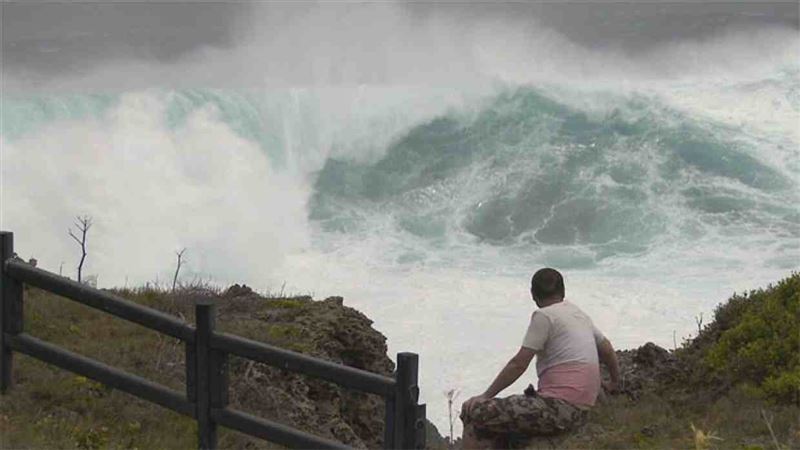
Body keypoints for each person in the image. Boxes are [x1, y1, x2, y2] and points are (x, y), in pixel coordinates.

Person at [460, 268, 620, 449]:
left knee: (474, 412)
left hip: (560, 408)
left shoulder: (544, 316)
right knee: (503, 430)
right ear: (563, 291)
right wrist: (614, 382)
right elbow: (607, 349)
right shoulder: (579, 314)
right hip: (584, 407)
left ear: (533, 295)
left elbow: (518, 364)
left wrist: (485, 396)